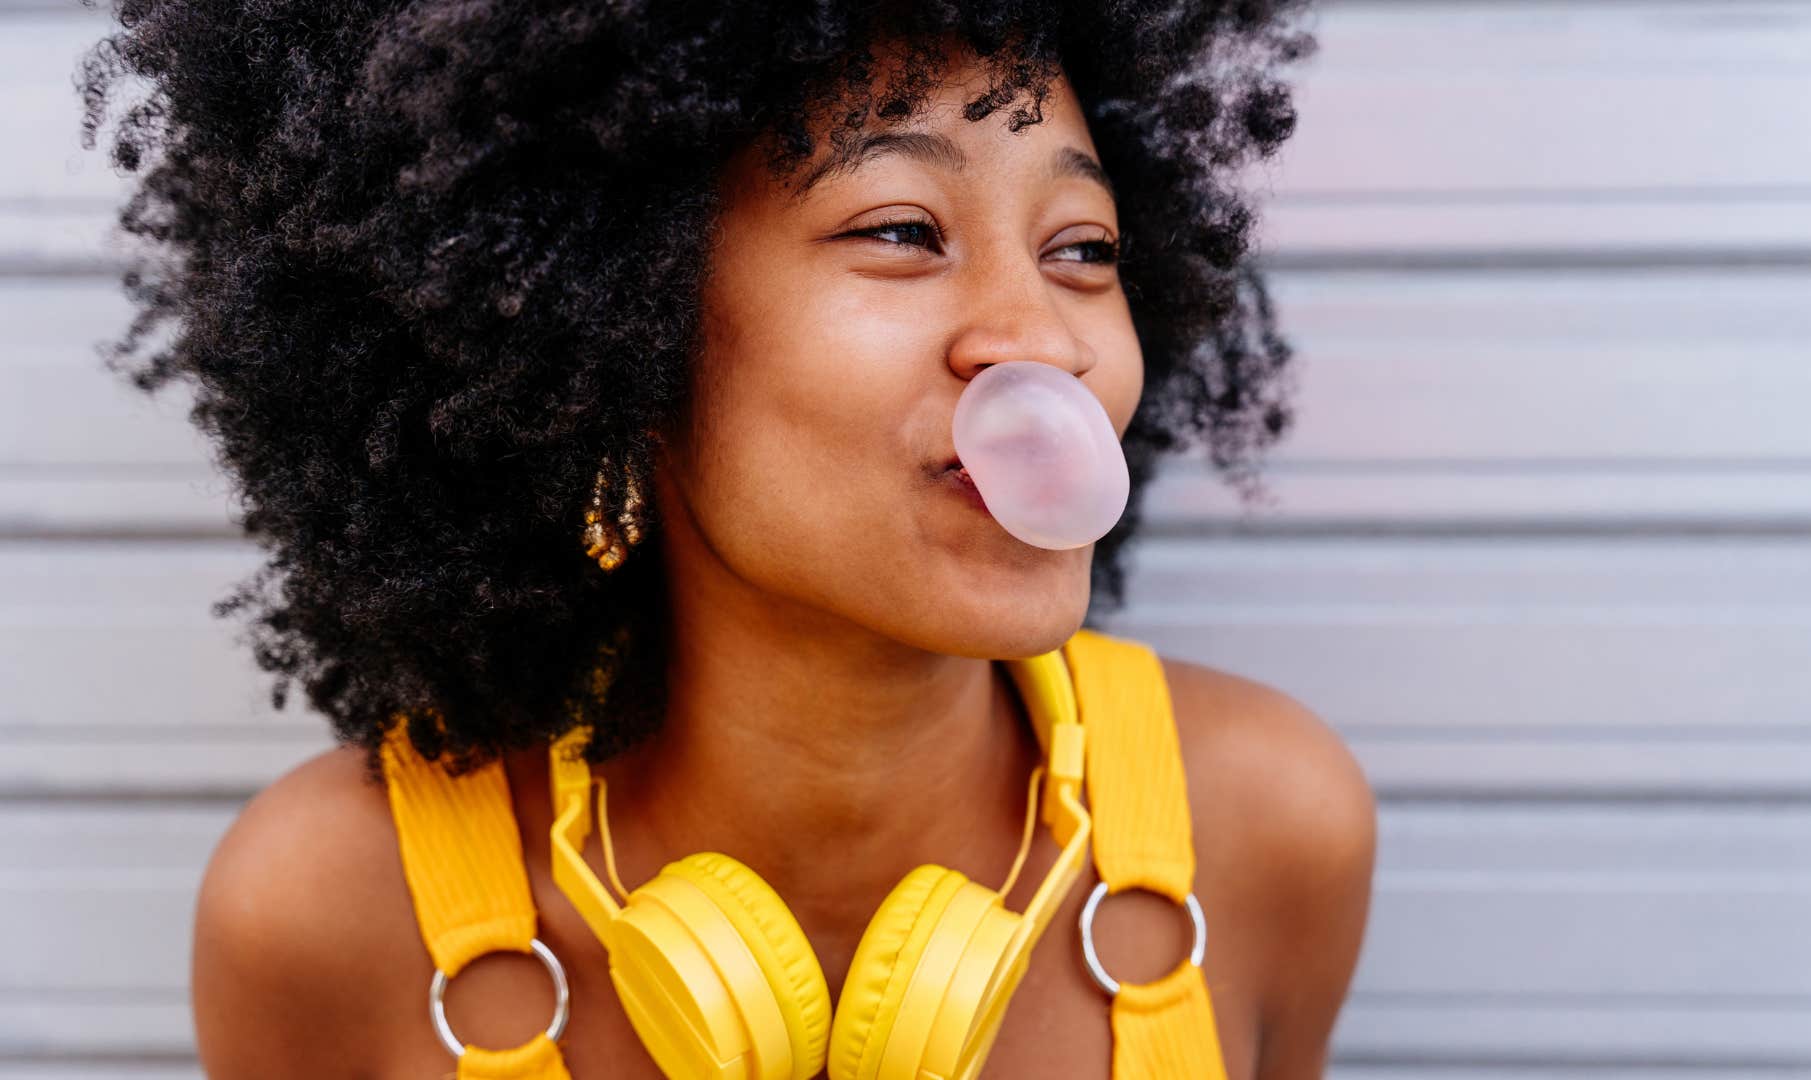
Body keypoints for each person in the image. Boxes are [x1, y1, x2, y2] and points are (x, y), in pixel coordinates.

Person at [78, 1, 1374, 1076]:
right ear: (610, 328)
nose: (1044, 343)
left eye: (1083, 248)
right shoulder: (322, 917)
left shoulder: (1264, 830)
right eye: (903, 231)